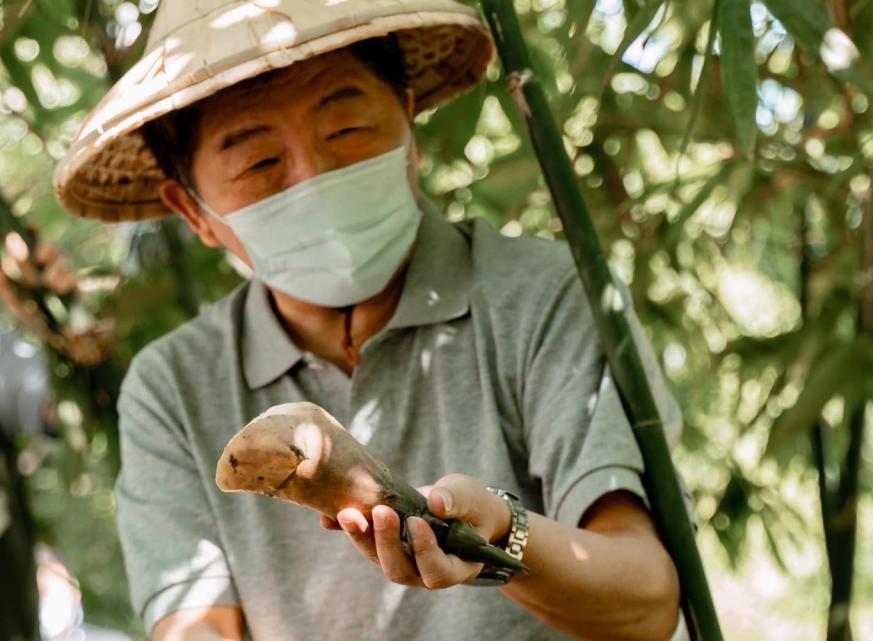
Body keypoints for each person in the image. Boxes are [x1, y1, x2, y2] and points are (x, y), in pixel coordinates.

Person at [54, 1, 689, 640]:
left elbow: (646, 602)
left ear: (408, 118)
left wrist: (500, 533)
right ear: (192, 212)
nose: (316, 177)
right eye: (258, 163)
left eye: (347, 127)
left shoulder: (544, 293)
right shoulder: (174, 385)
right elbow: (195, 628)